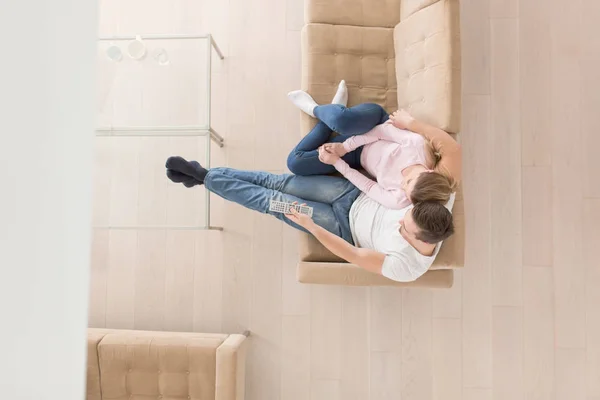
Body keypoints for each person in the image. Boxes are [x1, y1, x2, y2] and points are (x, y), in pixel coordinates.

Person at [164, 155, 455, 282]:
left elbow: (352, 254)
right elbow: (450, 160)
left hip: (339, 226)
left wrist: (311, 227)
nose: (400, 221)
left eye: (405, 228)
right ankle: (205, 177)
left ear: (420, 240)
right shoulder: (437, 205)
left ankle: (203, 176)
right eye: (406, 215)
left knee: (272, 202)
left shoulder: (406, 268)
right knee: (277, 182)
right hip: (353, 194)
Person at [286, 87, 462, 210]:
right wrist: (344, 147)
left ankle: (330, 114)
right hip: (374, 126)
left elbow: (368, 186)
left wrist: (337, 161)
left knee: (295, 163)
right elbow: (381, 132)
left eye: (406, 191)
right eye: (408, 181)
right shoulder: (417, 147)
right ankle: (315, 109)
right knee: (341, 121)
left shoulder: (400, 200)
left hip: (357, 157)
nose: (402, 184)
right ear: (429, 172)